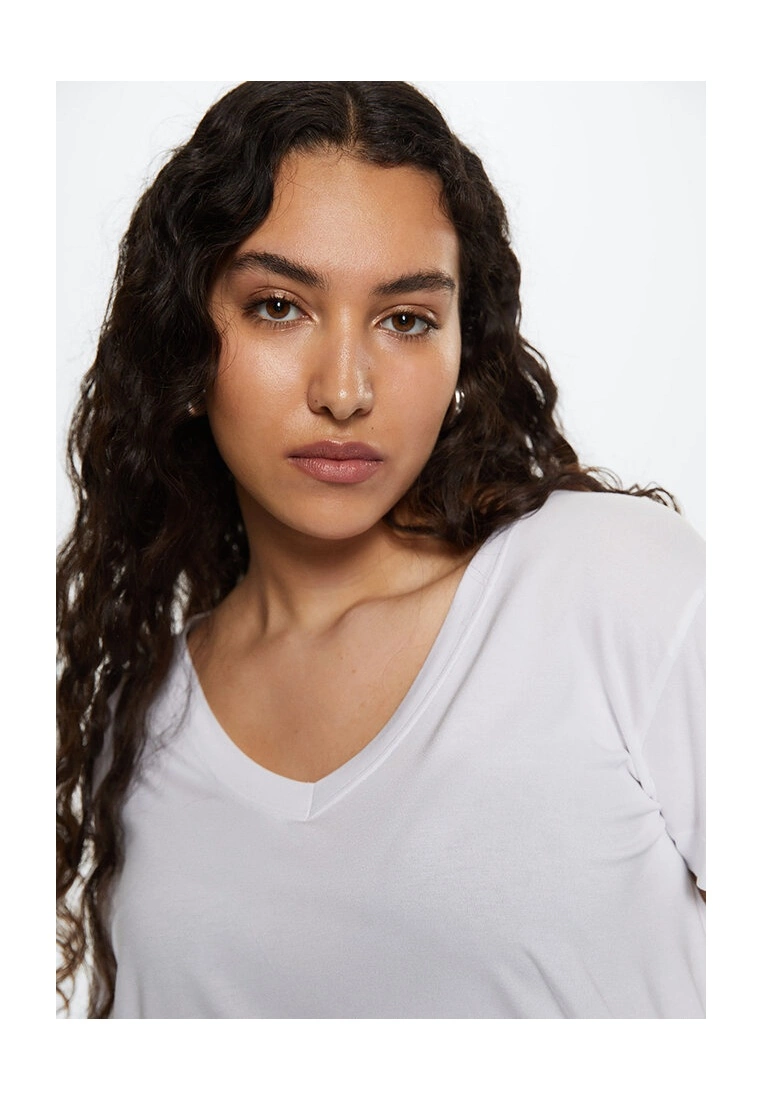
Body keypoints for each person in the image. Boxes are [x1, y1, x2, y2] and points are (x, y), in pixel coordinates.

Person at [57, 81, 705, 1020]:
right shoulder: (139, 719)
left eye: (406, 319)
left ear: (462, 348)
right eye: (279, 307)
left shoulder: (619, 590)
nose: (345, 390)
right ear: (182, 342)